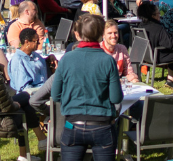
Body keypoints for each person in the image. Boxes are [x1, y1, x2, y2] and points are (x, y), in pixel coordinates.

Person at [50, 15, 120, 161]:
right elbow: (116, 98)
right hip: (102, 125)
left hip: (73, 124)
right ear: (102, 35)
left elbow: (55, 95)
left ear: (77, 35)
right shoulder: (108, 60)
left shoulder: (66, 59)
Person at [8, 28, 49, 95]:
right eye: (36, 41)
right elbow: (24, 88)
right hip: (32, 97)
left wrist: (50, 58)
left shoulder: (35, 55)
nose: (38, 43)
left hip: (44, 91)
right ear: (27, 42)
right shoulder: (18, 61)